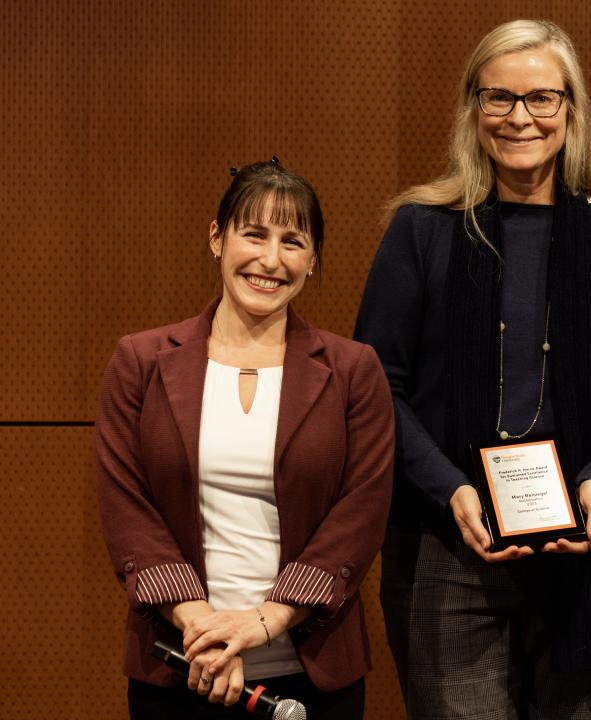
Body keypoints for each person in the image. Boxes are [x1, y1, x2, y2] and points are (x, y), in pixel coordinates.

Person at [354, 19, 591, 719]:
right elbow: (377, 387)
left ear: (571, 110)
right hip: (448, 542)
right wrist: (449, 488)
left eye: (541, 98)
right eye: (499, 97)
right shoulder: (422, 228)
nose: (519, 117)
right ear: (473, 109)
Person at [95, 157, 394, 719]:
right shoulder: (141, 360)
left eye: (292, 242)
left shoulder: (354, 369)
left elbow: (362, 511)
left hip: (313, 674)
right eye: (254, 234)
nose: (270, 260)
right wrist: (204, 631)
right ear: (217, 238)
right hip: (181, 662)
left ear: (313, 260)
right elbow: (125, 505)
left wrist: (264, 621)